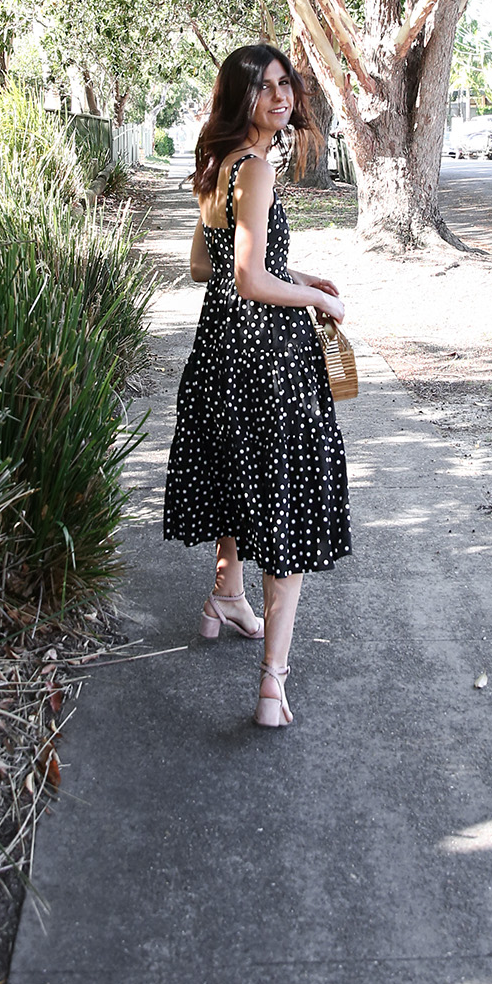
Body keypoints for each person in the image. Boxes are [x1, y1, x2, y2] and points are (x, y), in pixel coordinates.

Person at [163, 44, 351, 728]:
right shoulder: (260, 167)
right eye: (263, 88)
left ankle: (224, 598)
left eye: (284, 85)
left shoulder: (217, 165)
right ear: (238, 99)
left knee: (235, 474)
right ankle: (272, 685)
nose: (280, 97)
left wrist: (295, 274)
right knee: (285, 497)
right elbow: (247, 279)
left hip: (219, 344)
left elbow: (201, 266)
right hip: (267, 352)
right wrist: (317, 303)